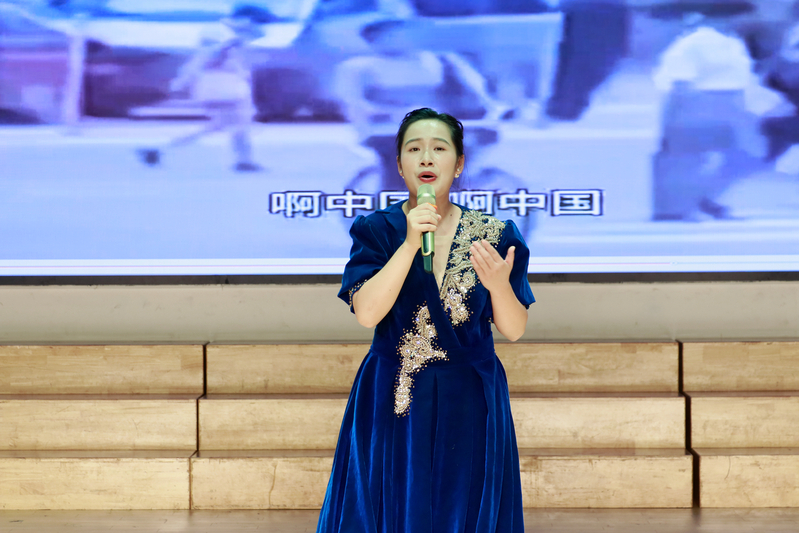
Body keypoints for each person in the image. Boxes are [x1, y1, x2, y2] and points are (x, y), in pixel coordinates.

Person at [316, 108, 535, 533]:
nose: (427, 159)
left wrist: (498, 285)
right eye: (414, 149)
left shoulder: (494, 233)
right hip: (393, 389)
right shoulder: (376, 230)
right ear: (399, 165)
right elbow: (367, 314)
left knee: (463, 502)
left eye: (439, 148)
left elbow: (514, 328)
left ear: (460, 163)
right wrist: (410, 244)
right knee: (390, 500)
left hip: (469, 393)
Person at [137, 13, 263, 172]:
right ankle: (244, 161)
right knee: (240, 126)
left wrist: (179, 86)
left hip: (210, 92)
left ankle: (158, 149)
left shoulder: (207, 51)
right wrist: (237, 29)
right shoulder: (224, 48)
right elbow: (256, 35)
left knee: (219, 126)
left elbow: (190, 71)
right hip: (231, 92)